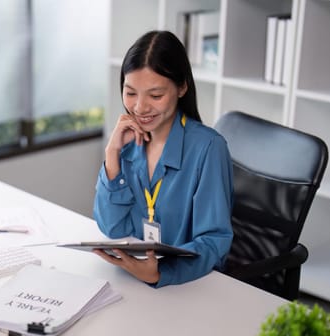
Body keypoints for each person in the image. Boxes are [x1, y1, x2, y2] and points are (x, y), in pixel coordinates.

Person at [93, 30, 234, 288]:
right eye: (131, 93)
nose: (140, 108)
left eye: (155, 96)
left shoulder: (209, 148)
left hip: (190, 286)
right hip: (135, 283)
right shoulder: (126, 141)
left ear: (181, 87)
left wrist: (160, 273)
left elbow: (214, 241)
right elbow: (112, 228)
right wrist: (111, 155)